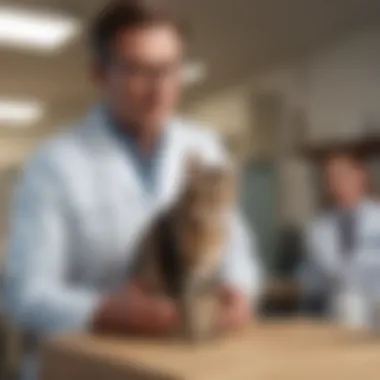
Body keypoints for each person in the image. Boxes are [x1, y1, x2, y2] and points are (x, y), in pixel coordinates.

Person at [3, 1, 263, 379]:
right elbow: (23, 294)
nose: (159, 88)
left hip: (184, 362)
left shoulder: (206, 149)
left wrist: (239, 292)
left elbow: (238, 251)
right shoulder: (54, 163)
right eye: (138, 70)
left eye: (170, 69)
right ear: (99, 73)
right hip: (85, 368)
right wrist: (104, 310)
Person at [299, 139, 380, 317]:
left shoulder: (377, 217)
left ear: (361, 175)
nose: (337, 183)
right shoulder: (318, 227)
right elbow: (317, 278)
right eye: (331, 178)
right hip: (337, 312)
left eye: (343, 175)